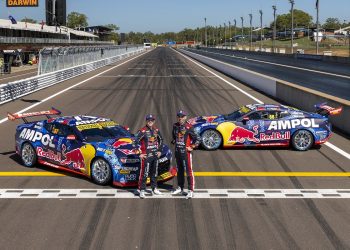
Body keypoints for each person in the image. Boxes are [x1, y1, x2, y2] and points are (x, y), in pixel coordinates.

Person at [171, 110, 200, 199]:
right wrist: (174, 141)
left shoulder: (189, 127)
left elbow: (198, 138)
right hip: (177, 152)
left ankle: (191, 190)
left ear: (185, 117)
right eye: (179, 116)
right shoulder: (175, 126)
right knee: (179, 170)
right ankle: (180, 187)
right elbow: (174, 136)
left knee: (188, 171)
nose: (180, 118)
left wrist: (192, 146)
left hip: (186, 153)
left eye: (182, 116)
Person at [135, 114, 164, 199]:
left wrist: (159, 150)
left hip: (155, 155)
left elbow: (161, 139)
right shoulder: (142, 131)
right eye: (148, 120)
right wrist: (139, 153)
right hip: (146, 156)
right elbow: (135, 141)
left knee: (154, 173)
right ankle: (142, 190)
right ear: (146, 121)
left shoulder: (156, 130)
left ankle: (154, 188)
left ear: (154, 121)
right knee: (144, 173)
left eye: (151, 120)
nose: (150, 121)